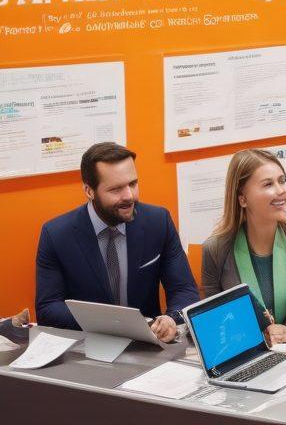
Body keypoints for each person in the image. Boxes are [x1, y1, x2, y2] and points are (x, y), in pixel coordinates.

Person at [36, 142, 199, 337]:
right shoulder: (56, 235)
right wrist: (110, 324)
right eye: (116, 189)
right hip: (89, 346)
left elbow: (185, 289)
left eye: (133, 184)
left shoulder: (158, 222)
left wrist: (172, 318)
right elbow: (48, 309)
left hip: (148, 345)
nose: (129, 196)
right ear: (89, 191)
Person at [201, 149, 286, 342]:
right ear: (242, 199)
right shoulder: (215, 250)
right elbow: (215, 323)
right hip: (249, 360)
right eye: (268, 184)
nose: (281, 190)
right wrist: (259, 337)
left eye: (282, 180)